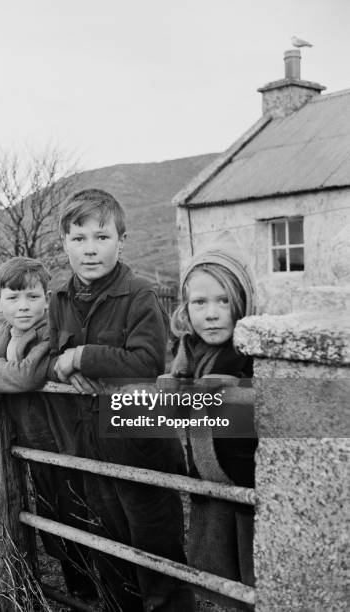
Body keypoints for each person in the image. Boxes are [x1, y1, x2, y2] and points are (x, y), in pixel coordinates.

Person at [48, 189, 192, 611]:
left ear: (120, 240)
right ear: (64, 244)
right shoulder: (58, 300)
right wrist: (61, 361)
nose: (90, 250)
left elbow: (148, 361)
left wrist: (82, 356)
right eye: (79, 239)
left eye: (101, 237)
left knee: (155, 548)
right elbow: (48, 354)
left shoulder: (139, 296)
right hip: (88, 438)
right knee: (108, 543)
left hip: (140, 440)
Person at [0, 257, 97, 600]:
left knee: (78, 510)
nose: (23, 306)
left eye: (32, 297)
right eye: (13, 297)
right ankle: (76, 589)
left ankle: (93, 590)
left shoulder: (51, 332)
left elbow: (27, 376)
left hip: (63, 439)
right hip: (30, 440)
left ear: (47, 298)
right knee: (50, 510)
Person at [169, 235, 257, 608]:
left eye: (224, 300)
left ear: (242, 302)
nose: (212, 312)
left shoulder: (249, 354)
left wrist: (234, 393)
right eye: (200, 302)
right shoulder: (188, 353)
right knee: (223, 579)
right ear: (186, 308)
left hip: (248, 486)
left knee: (256, 573)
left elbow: (268, 406)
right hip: (210, 482)